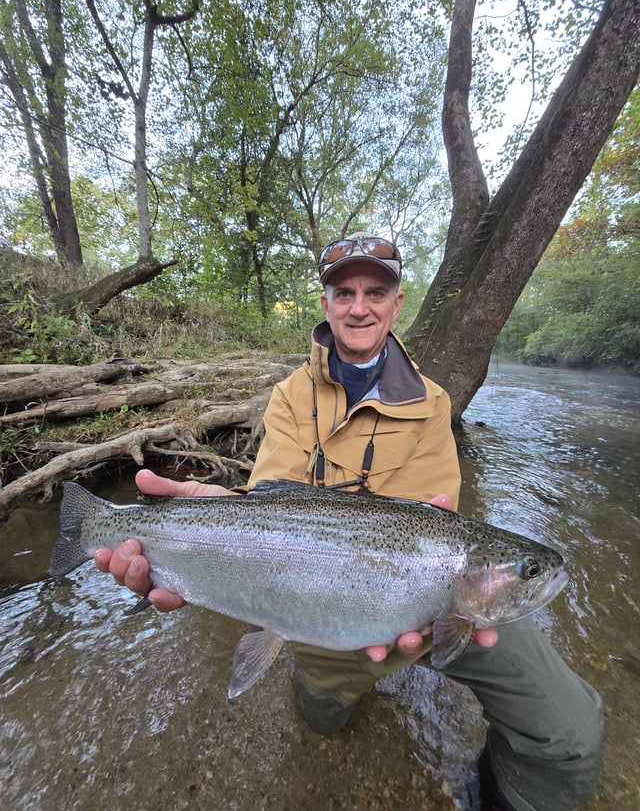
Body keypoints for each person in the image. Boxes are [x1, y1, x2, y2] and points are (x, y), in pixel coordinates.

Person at [96, 235, 603, 810]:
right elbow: (270, 504)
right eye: (345, 292)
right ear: (326, 303)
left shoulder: (432, 402)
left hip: (433, 601)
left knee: (571, 736)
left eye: (375, 292)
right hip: (315, 610)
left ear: (396, 303)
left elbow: (430, 513)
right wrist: (199, 544)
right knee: (322, 723)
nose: (359, 306)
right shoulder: (290, 395)